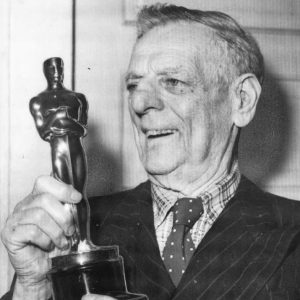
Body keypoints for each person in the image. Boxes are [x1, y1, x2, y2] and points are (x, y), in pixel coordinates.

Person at [2, 4, 300, 300]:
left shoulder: (292, 232)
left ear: (242, 100)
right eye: (134, 85)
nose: (140, 103)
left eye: (173, 82)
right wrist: (33, 288)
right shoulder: (77, 231)